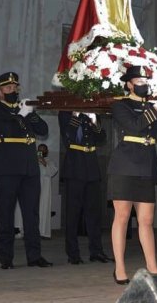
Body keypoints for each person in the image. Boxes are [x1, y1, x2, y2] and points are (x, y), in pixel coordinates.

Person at [107, 65, 157, 284]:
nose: (144, 85)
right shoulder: (120, 105)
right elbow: (135, 126)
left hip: (146, 164)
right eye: (139, 81)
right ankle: (119, 268)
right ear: (129, 84)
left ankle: (152, 266)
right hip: (124, 165)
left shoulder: (152, 105)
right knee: (123, 217)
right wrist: (156, 108)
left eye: (146, 81)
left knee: (146, 220)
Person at [0, 72, 51, 269]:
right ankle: (6, 258)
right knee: (5, 213)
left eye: (14, 88)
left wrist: (30, 113)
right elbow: (6, 129)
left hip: (29, 166)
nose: (12, 91)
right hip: (8, 166)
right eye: (7, 88)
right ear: (0, 92)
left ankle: (34, 256)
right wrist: (20, 116)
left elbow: (43, 130)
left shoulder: (24, 108)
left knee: (31, 214)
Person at [58, 111, 113, 264]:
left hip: (91, 166)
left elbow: (101, 139)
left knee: (94, 214)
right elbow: (68, 136)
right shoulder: (65, 114)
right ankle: (73, 254)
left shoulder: (93, 113)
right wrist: (75, 116)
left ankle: (96, 252)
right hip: (75, 166)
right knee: (73, 214)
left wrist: (95, 121)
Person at [37, 143, 58, 239]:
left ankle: (43, 233)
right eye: (39, 150)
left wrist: (44, 163)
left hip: (45, 190)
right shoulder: (33, 161)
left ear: (46, 151)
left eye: (43, 150)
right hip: (34, 189)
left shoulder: (50, 161)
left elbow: (52, 172)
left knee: (44, 210)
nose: (41, 152)